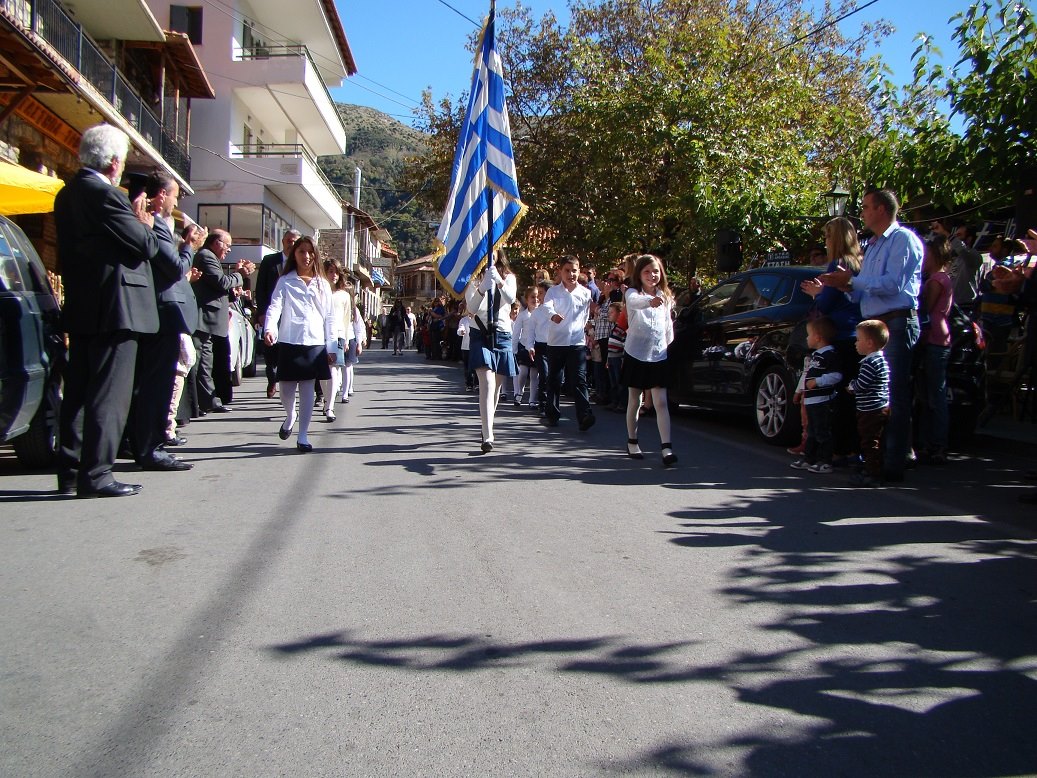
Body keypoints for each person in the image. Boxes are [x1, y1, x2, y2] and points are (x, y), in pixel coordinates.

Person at [54, 124, 161, 498]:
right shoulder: (105, 195)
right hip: (117, 308)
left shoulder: (66, 194)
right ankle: (97, 474)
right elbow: (143, 245)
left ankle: (69, 472)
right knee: (109, 395)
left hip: (84, 305)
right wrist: (142, 221)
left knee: (80, 392)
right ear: (115, 162)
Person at [819, 188, 922, 483]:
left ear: (881, 209)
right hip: (875, 321)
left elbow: (892, 284)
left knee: (891, 394)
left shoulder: (902, 240)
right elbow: (866, 290)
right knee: (876, 395)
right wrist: (846, 287)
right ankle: (879, 459)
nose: (862, 212)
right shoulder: (873, 245)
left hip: (896, 322)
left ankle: (893, 462)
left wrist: (851, 280)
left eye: (865, 206)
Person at [127, 171, 196, 472]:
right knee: (155, 385)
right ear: (161, 196)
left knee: (150, 383)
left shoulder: (156, 223)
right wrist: (190, 246)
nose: (176, 202)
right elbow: (174, 268)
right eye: (175, 195)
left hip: (156, 313)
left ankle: (143, 442)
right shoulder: (155, 225)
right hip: (163, 314)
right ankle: (149, 446)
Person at [799, 217, 864, 462]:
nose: (825, 241)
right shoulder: (858, 263)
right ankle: (853, 446)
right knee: (852, 392)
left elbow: (827, 303)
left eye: (827, 236)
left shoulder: (836, 265)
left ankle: (839, 448)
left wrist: (818, 293)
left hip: (840, 334)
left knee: (835, 395)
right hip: (857, 334)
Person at [263, 236, 334, 452]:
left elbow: (329, 317)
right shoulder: (285, 281)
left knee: (306, 389)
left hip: (314, 342)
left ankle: (303, 435)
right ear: (294, 254)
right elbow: (275, 306)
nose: (306, 256)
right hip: (289, 340)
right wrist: (269, 328)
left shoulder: (322, 284)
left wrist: (331, 346)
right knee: (285, 388)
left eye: (310, 252)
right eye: (302, 251)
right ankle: (290, 415)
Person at [622, 254, 677, 465]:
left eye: (655, 271)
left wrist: (665, 344)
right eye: (646, 271)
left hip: (658, 354)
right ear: (639, 274)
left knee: (661, 402)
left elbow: (667, 326)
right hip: (636, 352)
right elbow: (636, 303)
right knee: (634, 400)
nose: (652, 275)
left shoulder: (666, 296)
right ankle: (632, 441)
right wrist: (650, 301)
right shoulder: (633, 293)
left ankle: (666, 448)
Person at [192, 229, 251, 414]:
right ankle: (199, 403)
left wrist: (233, 292)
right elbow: (221, 282)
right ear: (217, 242)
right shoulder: (206, 256)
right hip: (203, 319)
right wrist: (239, 274)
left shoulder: (210, 257)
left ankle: (208, 401)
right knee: (199, 362)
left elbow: (219, 288)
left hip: (209, 321)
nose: (229, 250)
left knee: (205, 363)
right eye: (228, 245)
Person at [464, 250, 518, 452]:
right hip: (480, 333)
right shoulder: (473, 279)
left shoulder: (509, 277)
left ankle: (488, 424)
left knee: (495, 388)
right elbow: (471, 307)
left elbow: (511, 299)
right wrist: (482, 288)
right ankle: (488, 436)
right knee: (486, 382)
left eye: (493, 252)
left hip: (502, 334)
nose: (489, 255)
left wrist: (498, 281)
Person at [542, 256, 596, 431]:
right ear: (560, 271)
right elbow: (546, 307)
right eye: (567, 270)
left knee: (579, 379)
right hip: (556, 342)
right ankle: (552, 412)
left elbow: (586, 315)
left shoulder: (585, 293)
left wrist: (583, 331)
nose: (571, 274)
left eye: (574, 270)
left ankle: (585, 415)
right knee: (555, 379)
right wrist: (554, 316)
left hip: (576, 343)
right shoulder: (553, 292)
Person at [790, 316, 842, 474]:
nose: (806, 338)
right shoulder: (814, 356)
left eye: (809, 335)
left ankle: (825, 460)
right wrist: (799, 390)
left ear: (818, 337)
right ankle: (809, 458)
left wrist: (819, 381)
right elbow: (806, 375)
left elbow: (837, 376)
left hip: (822, 400)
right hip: (811, 400)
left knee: (822, 431)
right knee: (811, 431)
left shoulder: (830, 355)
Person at [919, 236, 954, 464]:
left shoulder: (935, 280)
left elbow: (926, 308)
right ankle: (933, 441)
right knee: (933, 393)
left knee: (934, 394)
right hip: (942, 335)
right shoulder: (945, 278)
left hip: (933, 337)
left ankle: (937, 443)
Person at [255, 229, 301, 398]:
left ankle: (285, 383)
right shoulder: (269, 261)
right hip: (271, 312)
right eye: (289, 240)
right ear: (283, 242)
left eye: (295, 241)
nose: (292, 244)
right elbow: (260, 288)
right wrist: (261, 312)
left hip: (291, 316)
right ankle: (272, 379)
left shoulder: (300, 264)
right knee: (270, 350)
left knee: (286, 351)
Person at [847, 320, 891, 487]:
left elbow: (862, 384)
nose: (856, 343)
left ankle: (873, 473)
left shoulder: (869, 363)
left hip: (871, 409)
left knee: (870, 441)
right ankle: (872, 468)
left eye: (858, 339)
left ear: (870, 343)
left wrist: (852, 386)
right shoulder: (881, 360)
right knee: (875, 440)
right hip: (880, 406)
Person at [319, 260, 350, 422]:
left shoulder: (344, 296)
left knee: (332, 369)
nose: (334, 275)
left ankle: (330, 406)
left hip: (337, 335)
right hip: (318, 335)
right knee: (322, 374)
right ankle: (326, 398)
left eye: (336, 272)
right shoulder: (319, 291)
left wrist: (345, 338)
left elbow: (346, 319)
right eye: (330, 271)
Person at [512, 286, 540, 407]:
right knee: (523, 372)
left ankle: (532, 399)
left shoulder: (542, 314)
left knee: (535, 374)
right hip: (524, 347)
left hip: (537, 346)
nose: (536, 299)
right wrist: (514, 349)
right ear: (527, 299)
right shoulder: (523, 315)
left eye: (538, 297)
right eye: (532, 297)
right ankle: (519, 391)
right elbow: (516, 332)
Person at [606, 301, 627, 412]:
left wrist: (623, 359)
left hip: (619, 357)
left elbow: (624, 344)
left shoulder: (622, 329)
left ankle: (622, 403)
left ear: (620, 313)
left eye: (612, 312)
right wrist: (607, 359)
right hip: (611, 357)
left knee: (620, 382)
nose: (609, 314)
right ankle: (615, 401)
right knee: (613, 381)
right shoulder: (614, 327)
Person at [457, 306, 476, 392]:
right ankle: (469, 384)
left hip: (477, 346)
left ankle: (477, 383)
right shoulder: (464, 320)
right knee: (467, 367)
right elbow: (460, 329)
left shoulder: (479, 319)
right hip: (466, 347)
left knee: (477, 366)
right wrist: (461, 332)